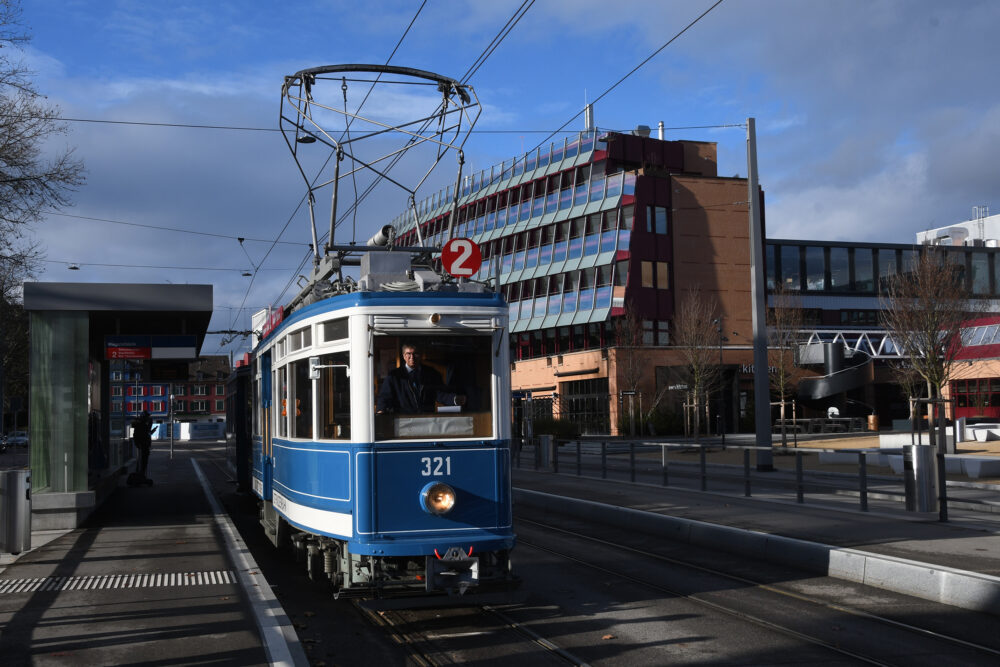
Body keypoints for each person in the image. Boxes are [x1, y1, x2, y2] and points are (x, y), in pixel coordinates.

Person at [377, 342, 466, 414]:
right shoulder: (394, 376)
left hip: (426, 420)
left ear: (420, 355)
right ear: (404, 356)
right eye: (408, 354)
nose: (412, 357)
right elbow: (385, 397)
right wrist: (381, 411)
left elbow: (440, 393)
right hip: (403, 421)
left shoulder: (432, 373)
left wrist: (454, 399)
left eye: (415, 354)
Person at [131, 410, 155, 483]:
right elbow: (143, 434)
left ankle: (140, 476)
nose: (148, 418)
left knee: (142, 462)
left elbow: (146, 433)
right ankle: (140, 477)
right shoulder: (141, 425)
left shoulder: (142, 425)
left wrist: (151, 431)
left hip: (144, 446)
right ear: (144, 417)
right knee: (142, 462)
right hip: (143, 446)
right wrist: (150, 424)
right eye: (147, 417)